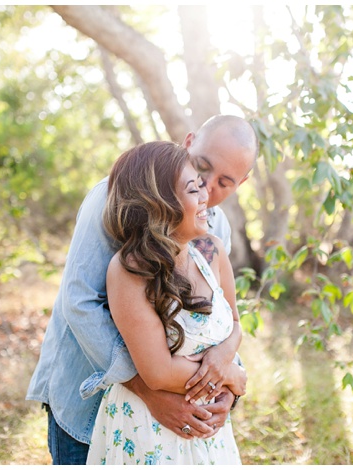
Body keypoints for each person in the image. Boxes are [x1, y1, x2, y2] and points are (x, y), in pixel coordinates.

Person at [26, 115, 258, 464]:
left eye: (225, 182)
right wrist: (150, 390)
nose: (208, 188)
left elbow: (217, 320)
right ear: (189, 142)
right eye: (202, 168)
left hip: (183, 429)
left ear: (243, 182)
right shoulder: (113, 198)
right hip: (87, 401)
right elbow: (80, 302)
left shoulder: (214, 232)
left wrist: (227, 382)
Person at [87, 141, 246, 464]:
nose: (206, 197)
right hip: (149, 430)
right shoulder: (130, 270)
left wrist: (227, 369)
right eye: (193, 190)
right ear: (159, 202)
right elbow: (158, 372)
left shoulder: (212, 249)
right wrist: (230, 376)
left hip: (210, 432)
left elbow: (236, 323)